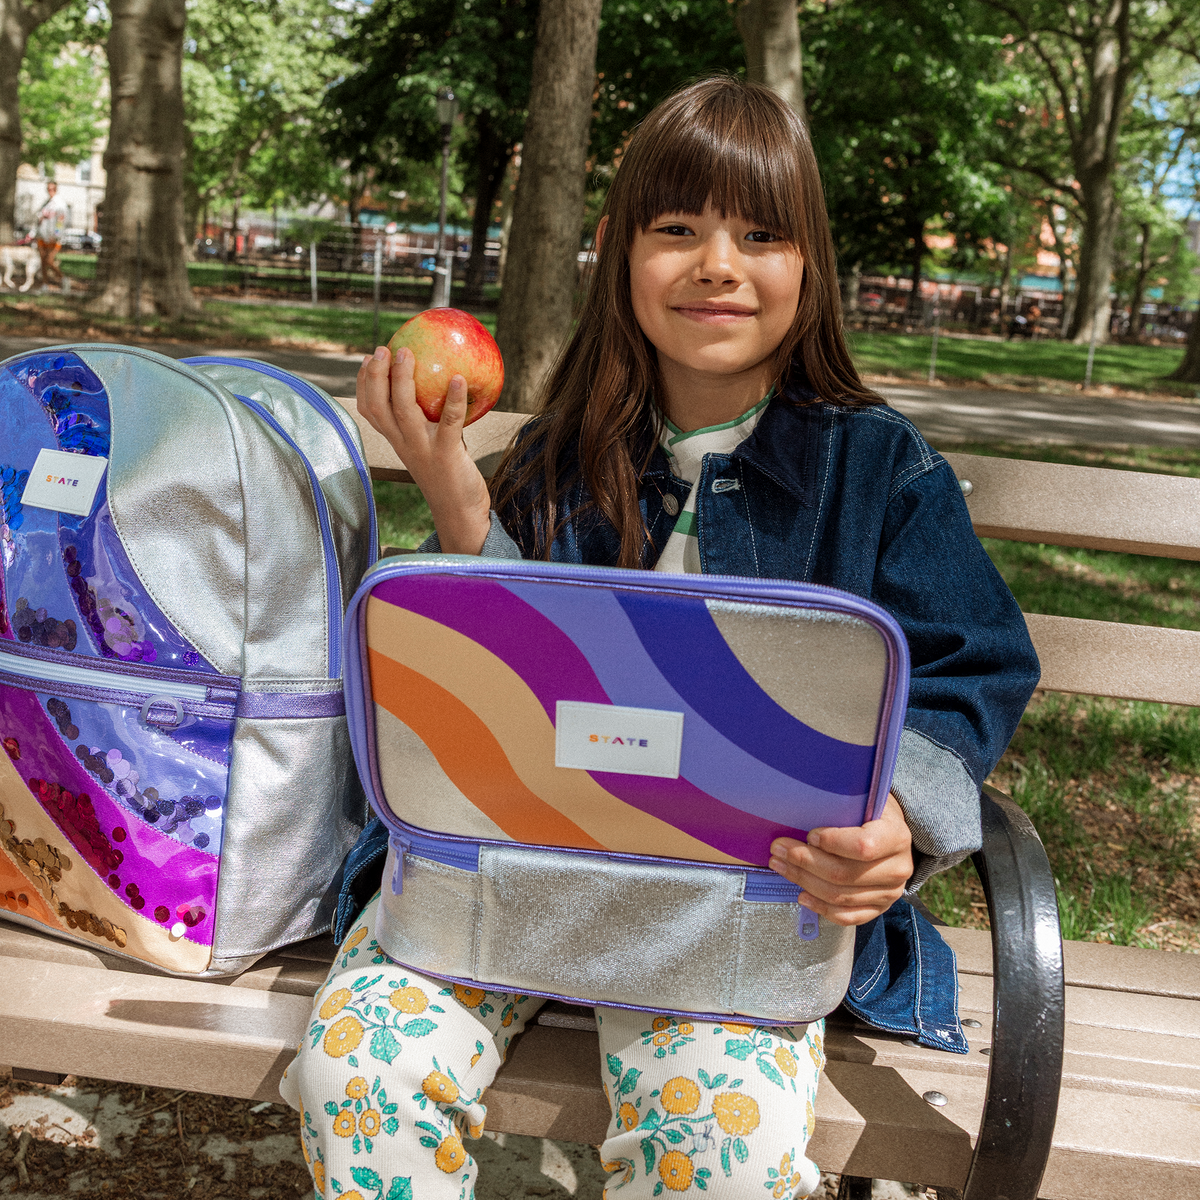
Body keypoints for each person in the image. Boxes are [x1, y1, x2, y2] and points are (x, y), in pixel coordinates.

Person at [280, 77, 1039, 1199]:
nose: (717, 264)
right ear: (618, 256)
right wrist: (452, 492)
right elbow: (495, 678)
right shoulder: (557, 453)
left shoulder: (877, 469)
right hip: (510, 882)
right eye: (676, 229)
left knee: (721, 1158)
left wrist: (898, 820)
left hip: (741, 911)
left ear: (809, 266)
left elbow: (975, 664)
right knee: (356, 1079)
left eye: (761, 234)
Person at [35, 181, 65, 289]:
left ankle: (63, 279)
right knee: (43, 261)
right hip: (42, 236)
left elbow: (60, 222)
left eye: (52, 189)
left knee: (49, 260)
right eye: (48, 189)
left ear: (56, 189)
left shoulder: (60, 204)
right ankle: (45, 284)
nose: (50, 191)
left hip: (53, 238)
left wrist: (56, 235)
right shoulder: (46, 203)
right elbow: (39, 220)